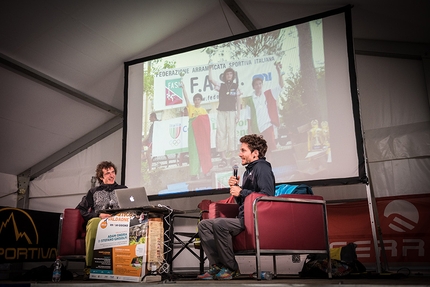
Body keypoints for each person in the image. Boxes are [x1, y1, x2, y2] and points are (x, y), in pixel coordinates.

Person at [197, 134, 275, 280]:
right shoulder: (247, 172)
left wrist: (241, 191)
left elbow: (267, 196)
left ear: (255, 153)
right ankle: (218, 266)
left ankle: (231, 269)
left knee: (220, 224)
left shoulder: (262, 168)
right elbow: (244, 201)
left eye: (243, 150)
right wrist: (237, 191)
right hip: (243, 217)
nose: (240, 154)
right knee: (204, 225)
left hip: (255, 220)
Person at [76, 161, 127, 278]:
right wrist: (97, 216)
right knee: (94, 223)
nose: (111, 175)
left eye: (113, 172)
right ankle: (89, 267)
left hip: (120, 221)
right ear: (101, 177)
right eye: (108, 173)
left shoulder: (123, 189)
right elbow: (80, 209)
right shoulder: (93, 191)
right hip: (100, 220)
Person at [243, 61, 284, 160]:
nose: (258, 86)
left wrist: (279, 71)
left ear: (262, 84)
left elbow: (281, 85)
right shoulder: (250, 99)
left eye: (260, 83)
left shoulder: (268, 94)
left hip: (267, 126)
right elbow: (248, 116)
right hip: (257, 129)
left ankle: (269, 166)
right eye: (256, 84)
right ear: (253, 86)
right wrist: (249, 129)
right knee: (259, 151)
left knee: (269, 149)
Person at [208, 65, 242, 168]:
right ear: (224, 76)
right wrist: (210, 68)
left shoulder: (236, 86)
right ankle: (223, 158)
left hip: (232, 112)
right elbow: (210, 79)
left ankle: (233, 157)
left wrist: (238, 114)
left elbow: (238, 100)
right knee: (221, 133)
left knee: (231, 133)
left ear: (233, 75)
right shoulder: (221, 86)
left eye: (230, 74)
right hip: (221, 112)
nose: (229, 75)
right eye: (227, 74)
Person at [181, 80, 213, 179]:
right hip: (193, 133)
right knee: (193, 152)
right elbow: (186, 98)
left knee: (203, 151)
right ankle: (194, 174)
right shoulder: (191, 108)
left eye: (199, 99)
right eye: (195, 99)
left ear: (201, 100)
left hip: (201, 134)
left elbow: (206, 123)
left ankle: (206, 171)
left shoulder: (203, 110)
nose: (197, 101)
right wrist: (183, 88)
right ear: (194, 101)